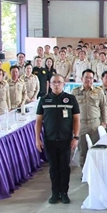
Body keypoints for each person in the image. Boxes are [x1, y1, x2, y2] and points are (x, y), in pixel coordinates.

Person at [35, 74, 81, 204]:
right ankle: (55, 193)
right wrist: (37, 139)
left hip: (65, 139)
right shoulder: (44, 100)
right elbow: (38, 121)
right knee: (53, 168)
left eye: (59, 82)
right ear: (49, 84)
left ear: (63, 84)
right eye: (54, 82)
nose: (56, 84)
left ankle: (64, 193)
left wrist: (76, 137)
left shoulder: (70, 99)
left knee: (64, 167)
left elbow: (76, 119)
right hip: (49, 139)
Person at [71, 69, 107, 166]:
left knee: (97, 150)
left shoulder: (99, 91)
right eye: (86, 77)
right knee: (82, 151)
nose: (88, 80)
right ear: (82, 78)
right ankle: (84, 171)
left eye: (91, 78)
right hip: (81, 124)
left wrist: (104, 122)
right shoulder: (75, 92)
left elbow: (103, 107)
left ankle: (96, 169)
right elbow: (71, 110)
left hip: (95, 124)